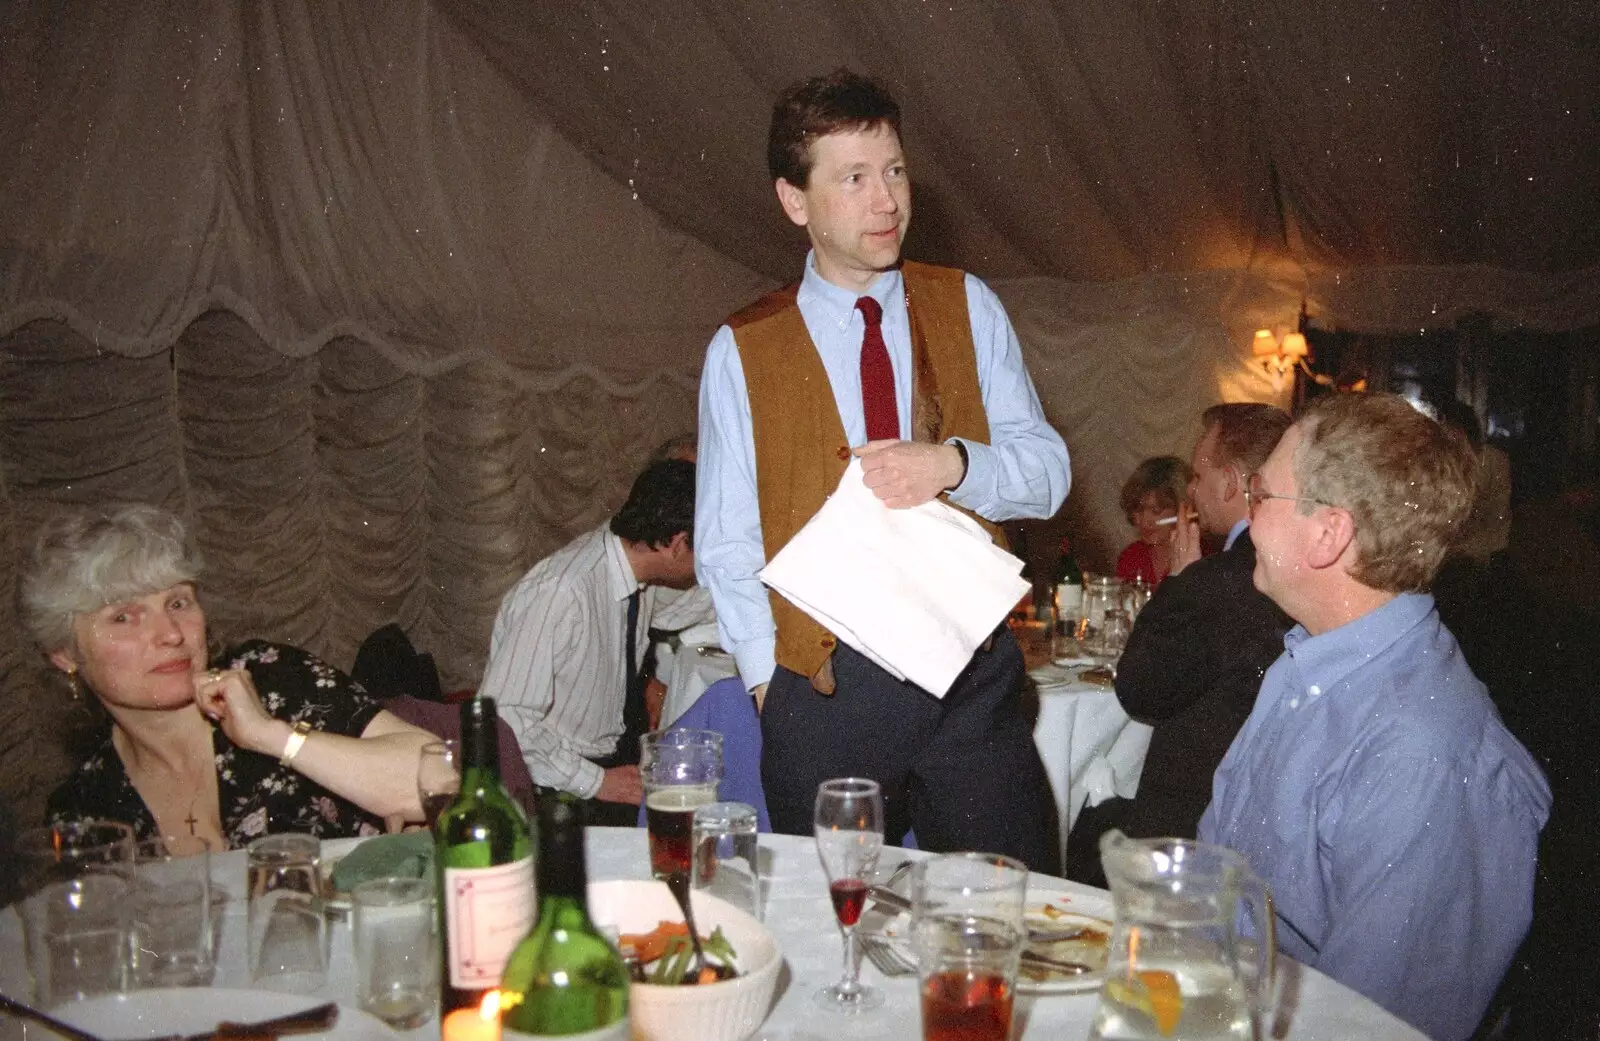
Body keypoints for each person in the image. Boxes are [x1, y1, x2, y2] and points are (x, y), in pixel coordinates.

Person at [696, 69, 1070, 871]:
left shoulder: (969, 304)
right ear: (795, 201)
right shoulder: (743, 348)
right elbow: (726, 540)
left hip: (972, 673)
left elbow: (1049, 472)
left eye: (895, 171)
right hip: (827, 688)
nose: (887, 201)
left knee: (1011, 910)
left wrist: (953, 463)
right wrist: (772, 688)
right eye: (855, 178)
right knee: (840, 930)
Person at [1199, 393, 1551, 1041]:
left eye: (1261, 494)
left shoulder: (1427, 756)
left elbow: (1371, 1029)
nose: (1247, 513)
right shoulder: (1307, 664)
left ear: (1329, 532)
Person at [23, 504, 436, 849]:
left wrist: (269, 735)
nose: (170, 633)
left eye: (179, 602)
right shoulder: (83, 808)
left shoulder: (269, 679)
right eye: (124, 617)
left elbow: (439, 778)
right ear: (64, 654)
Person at [479, 459, 703, 825]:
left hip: (604, 763)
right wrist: (598, 782)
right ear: (678, 545)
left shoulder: (630, 565)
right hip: (553, 790)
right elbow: (505, 719)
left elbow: (682, 608)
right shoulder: (563, 592)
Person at [1113, 403, 1292, 840]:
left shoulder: (1218, 580)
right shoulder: (1294, 565)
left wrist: (1177, 580)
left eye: (1196, 476)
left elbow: (1138, 691)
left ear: (1230, 482)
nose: (1190, 490)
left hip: (1194, 821)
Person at [1113, 455, 1191, 588]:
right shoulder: (1132, 556)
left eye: (1155, 510)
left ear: (1182, 509)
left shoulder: (1204, 556)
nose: (1144, 522)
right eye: (1138, 510)